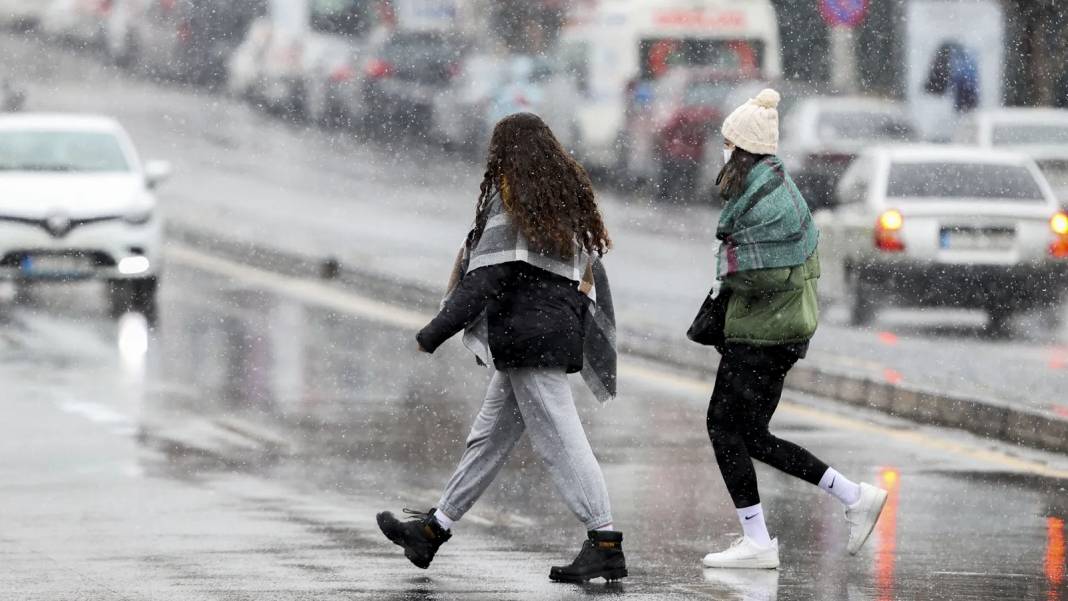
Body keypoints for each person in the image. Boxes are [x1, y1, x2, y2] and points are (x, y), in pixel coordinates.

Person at [376, 112, 626, 584]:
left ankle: (605, 543)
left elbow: (485, 280)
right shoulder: (560, 206)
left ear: (505, 154)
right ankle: (431, 531)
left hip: (531, 342)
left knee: (563, 443)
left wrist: (434, 332)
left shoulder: (514, 206)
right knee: (486, 441)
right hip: (541, 337)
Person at [699, 89, 888, 569]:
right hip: (773, 330)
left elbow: (766, 270)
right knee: (754, 436)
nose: (722, 150)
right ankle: (853, 496)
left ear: (741, 149)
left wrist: (729, 267)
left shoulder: (769, 198)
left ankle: (759, 541)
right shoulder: (769, 185)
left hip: (765, 335)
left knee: (724, 427)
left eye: (727, 143)